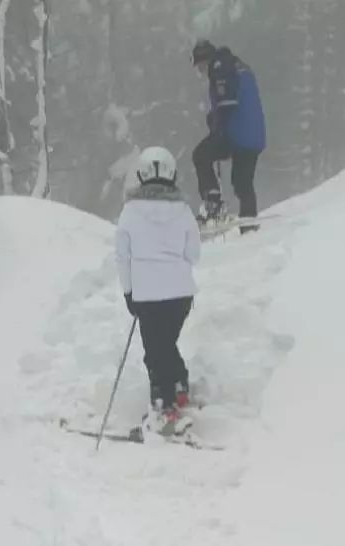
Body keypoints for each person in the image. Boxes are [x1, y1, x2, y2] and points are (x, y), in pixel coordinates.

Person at [116, 146, 201, 427]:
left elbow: (123, 257)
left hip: (147, 295)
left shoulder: (129, 213)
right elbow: (194, 255)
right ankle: (178, 385)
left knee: (156, 348)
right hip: (180, 295)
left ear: (140, 174)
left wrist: (128, 291)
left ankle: (163, 403)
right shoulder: (185, 212)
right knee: (165, 343)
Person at [191, 39, 267, 234]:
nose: (201, 72)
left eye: (200, 67)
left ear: (205, 59)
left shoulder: (220, 66)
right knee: (242, 182)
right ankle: (248, 225)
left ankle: (213, 205)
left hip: (237, 133)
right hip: (254, 135)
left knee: (201, 155)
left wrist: (216, 123)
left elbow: (227, 102)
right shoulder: (236, 65)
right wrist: (214, 116)